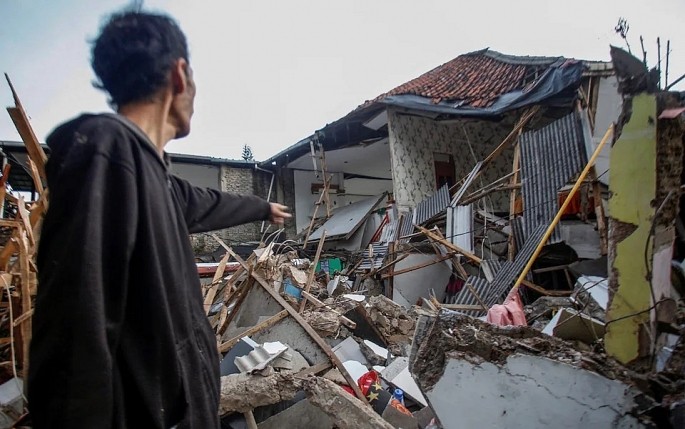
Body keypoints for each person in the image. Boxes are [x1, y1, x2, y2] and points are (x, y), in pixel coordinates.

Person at [27, 10, 290, 428]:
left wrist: (263, 207)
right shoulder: (107, 152)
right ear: (179, 75)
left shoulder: (155, 178)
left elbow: (209, 202)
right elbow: (72, 340)